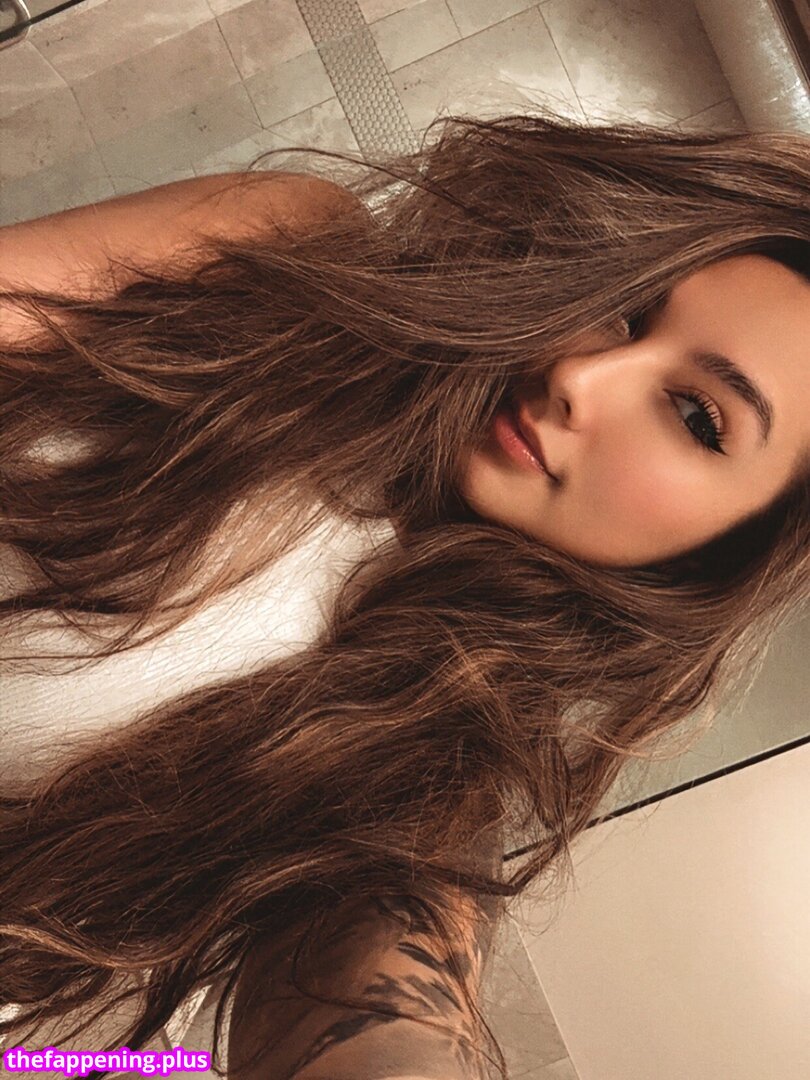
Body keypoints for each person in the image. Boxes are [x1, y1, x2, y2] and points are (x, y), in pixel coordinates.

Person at [0, 106, 808, 1080]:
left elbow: (378, 1022)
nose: (583, 376)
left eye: (695, 416)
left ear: (721, 552)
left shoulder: (431, 779)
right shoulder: (300, 247)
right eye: (626, 308)